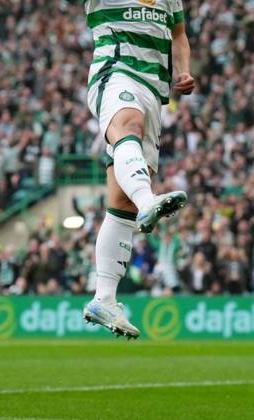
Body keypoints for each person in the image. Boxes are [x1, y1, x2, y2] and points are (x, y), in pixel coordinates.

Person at [82, 0, 195, 339]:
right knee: (127, 126)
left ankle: (104, 299)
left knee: (122, 204)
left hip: (154, 90)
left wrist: (183, 71)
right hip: (115, 72)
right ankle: (149, 202)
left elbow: (179, 34)